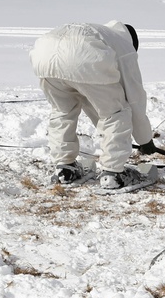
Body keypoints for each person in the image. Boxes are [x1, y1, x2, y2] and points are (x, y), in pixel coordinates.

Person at [30, 21, 157, 189]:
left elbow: (92, 99)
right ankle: (113, 173)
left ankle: (65, 168)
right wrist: (145, 140)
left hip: (43, 54)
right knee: (116, 112)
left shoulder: (101, 34)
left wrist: (106, 128)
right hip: (81, 57)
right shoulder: (125, 47)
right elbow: (134, 98)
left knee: (63, 110)